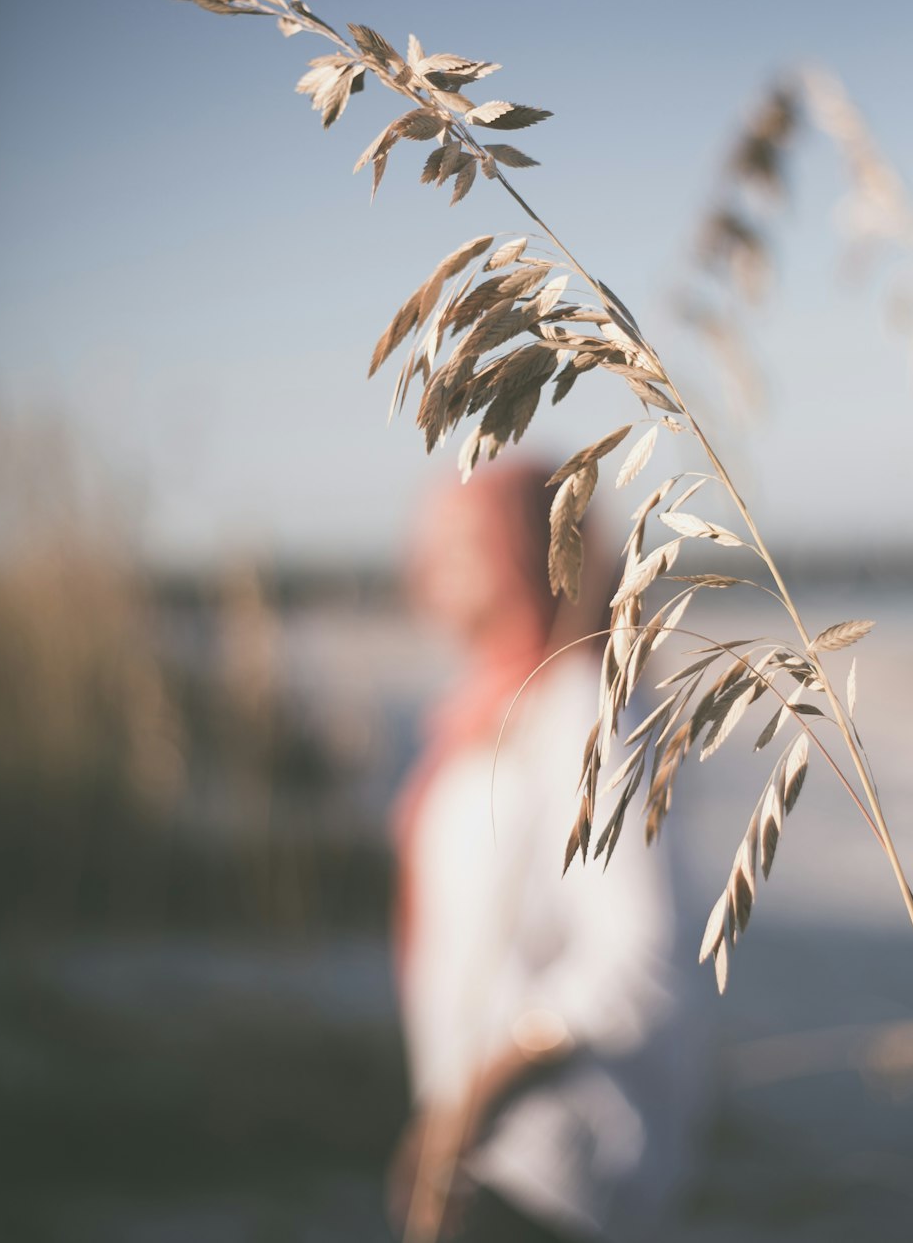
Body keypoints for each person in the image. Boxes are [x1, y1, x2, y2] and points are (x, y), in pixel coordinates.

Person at [388, 460, 703, 1243]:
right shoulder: (491, 704)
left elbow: (639, 961)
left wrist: (482, 1091)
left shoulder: (577, 712)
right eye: (433, 539)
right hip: (485, 1146)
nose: (430, 562)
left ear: (535, 550)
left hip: (555, 1168)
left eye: (469, 540)